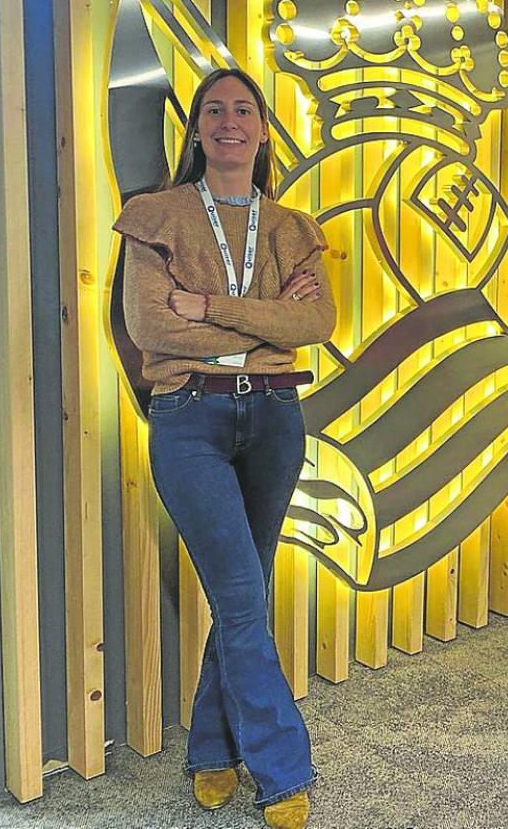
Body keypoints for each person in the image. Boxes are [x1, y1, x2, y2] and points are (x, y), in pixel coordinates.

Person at [116, 68, 335, 829]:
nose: (229, 120)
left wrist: (211, 307)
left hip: (275, 416)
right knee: (243, 599)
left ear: (265, 129)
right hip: (189, 419)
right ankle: (282, 770)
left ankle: (212, 751)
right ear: (198, 128)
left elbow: (317, 328)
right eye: (215, 109)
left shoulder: (292, 226)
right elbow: (153, 329)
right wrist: (269, 320)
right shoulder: (155, 217)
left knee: (245, 596)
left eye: (244, 109)